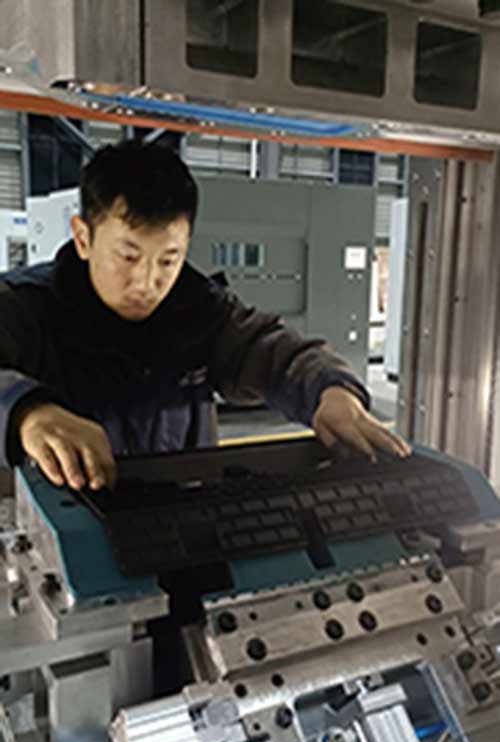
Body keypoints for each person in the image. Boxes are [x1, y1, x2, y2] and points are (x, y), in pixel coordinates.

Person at [0, 140, 410, 490]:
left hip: (183, 522)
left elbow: (273, 350)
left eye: (168, 260)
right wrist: (25, 413)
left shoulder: (197, 310)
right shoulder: (26, 309)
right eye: (128, 256)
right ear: (82, 237)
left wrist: (331, 391)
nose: (147, 282)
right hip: (70, 532)